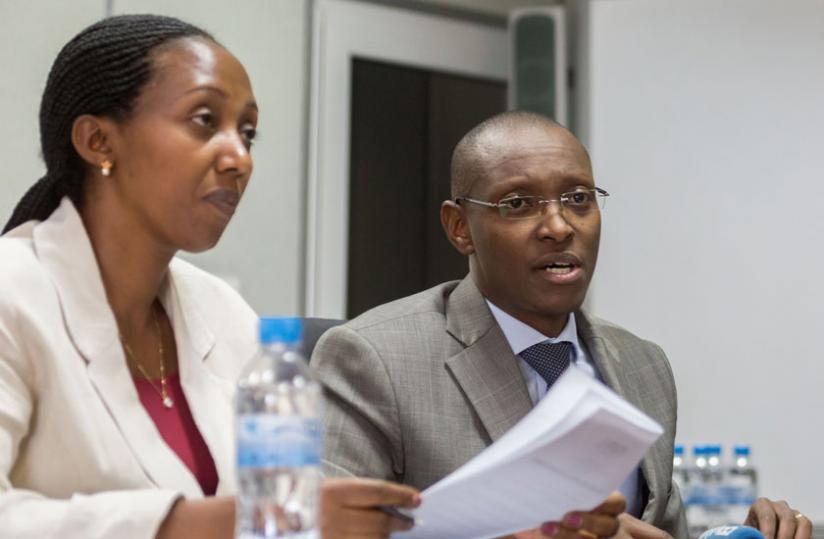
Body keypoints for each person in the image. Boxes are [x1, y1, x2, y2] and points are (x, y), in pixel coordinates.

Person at [0, 14, 417, 539]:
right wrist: (198, 524)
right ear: (98, 141)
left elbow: (291, 515)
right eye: (203, 119)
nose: (239, 157)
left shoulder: (220, 311)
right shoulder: (12, 292)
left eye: (247, 133)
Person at [311, 111, 813, 539]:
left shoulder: (643, 365)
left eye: (578, 198)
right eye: (519, 204)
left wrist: (738, 534)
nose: (558, 226)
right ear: (460, 227)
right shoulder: (372, 359)